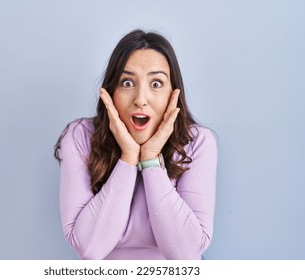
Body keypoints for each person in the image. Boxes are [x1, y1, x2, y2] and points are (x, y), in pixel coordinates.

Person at [54, 29, 217, 260]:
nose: (141, 99)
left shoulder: (198, 142)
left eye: (157, 83)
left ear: (174, 94)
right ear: (110, 92)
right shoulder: (80, 137)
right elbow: (89, 249)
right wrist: (128, 157)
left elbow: (186, 255)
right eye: (127, 82)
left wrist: (150, 160)